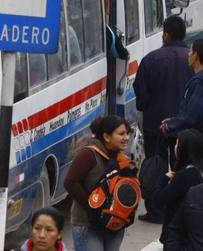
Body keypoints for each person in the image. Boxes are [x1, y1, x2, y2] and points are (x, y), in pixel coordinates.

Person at [133, 15, 193, 223]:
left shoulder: (151, 59)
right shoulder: (193, 60)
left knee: (155, 168)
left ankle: (156, 211)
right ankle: (178, 210)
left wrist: (148, 107)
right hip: (185, 127)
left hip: (155, 126)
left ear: (165, 35)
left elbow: (141, 94)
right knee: (182, 167)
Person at [63, 116, 132, 251]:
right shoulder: (88, 154)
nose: (127, 138)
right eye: (121, 134)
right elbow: (70, 182)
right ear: (106, 136)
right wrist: (93, 207)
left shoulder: (122, 159)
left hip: (114, 226)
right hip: (87, 226)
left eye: (127, 133)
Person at [161, 38, 203, 150]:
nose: (188, 54)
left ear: (195, 55)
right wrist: (174, 119)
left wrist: (169, 127)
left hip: (198, 144)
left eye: (190, 51)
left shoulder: (200, 83)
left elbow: (191, 115)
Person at [152, 129, 203, 249]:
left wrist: (163, 179)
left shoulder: (184, 176)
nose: (175, 147)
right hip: (196, 234)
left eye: (177, 143)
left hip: (177, 237)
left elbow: (159, 198)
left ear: (184, 149)